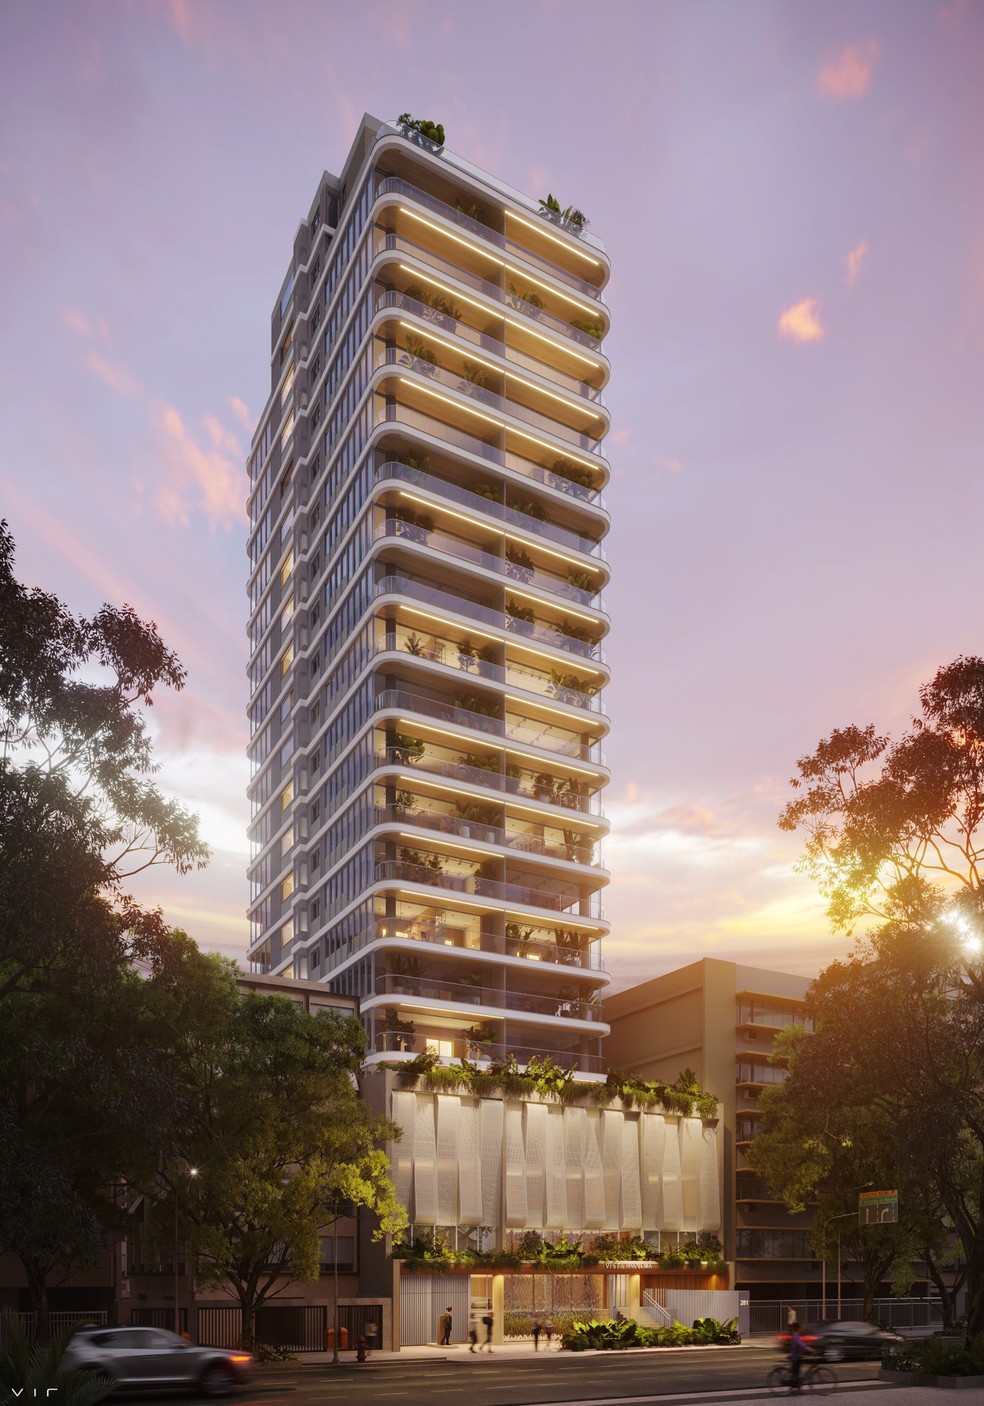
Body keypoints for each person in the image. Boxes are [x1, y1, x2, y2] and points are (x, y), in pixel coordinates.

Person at [787, 1321, 812, 1392]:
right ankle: (795, 1387)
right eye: (801, 1327)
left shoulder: (797, 1335)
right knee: (795, 1373)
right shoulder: (795, 1336)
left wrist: (806, 1348)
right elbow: (800, 1344)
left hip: (798, 1356)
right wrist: (807, 1348)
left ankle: (797, 1388)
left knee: (796, 1373)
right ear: (798, 1329)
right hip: (795, 1357)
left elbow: (801, 1343)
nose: (802, 1329)